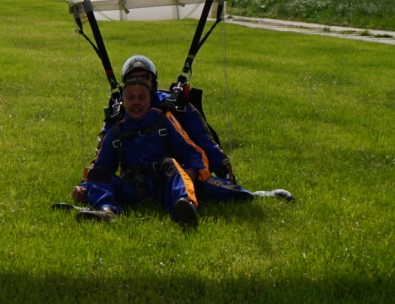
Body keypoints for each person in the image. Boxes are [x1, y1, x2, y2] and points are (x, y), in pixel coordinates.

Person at [67, 55, 292, 224]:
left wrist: (214, 172)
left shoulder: (170, 112)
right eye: (132, 88)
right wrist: (86, 187)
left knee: (206, 186)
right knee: (100, 178)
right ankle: (106, 210)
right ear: (124, 97)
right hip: (134, 182)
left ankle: (198, 203)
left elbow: (200, 144)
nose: (136, 100)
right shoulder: (117, 122)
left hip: (172, 177)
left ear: (153, 83)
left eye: (144, 82)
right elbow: (101, 163)